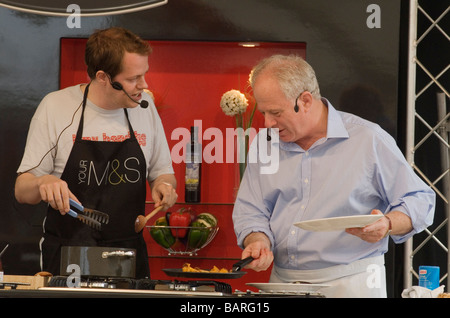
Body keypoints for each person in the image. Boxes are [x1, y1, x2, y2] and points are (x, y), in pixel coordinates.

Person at [232, 54, 435, 297]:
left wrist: (388, 223)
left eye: (275, 112)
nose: (267, 123)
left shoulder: (368, 139)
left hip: (352, 282)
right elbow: (251, 210)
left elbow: (420, 199)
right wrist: (257, 240)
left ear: (305, 100)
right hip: (281, 283)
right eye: (264, 113)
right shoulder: (264, 144)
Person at [15, 27, 177, 278]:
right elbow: (22, 190)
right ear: (103, 77)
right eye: (134, 78)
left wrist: (164, 186)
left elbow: (163, 173)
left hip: (128, 255)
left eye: (144, 75)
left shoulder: (145, 107)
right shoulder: (56, 106)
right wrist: (43, 182)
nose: (144, 85)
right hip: (66, 256)